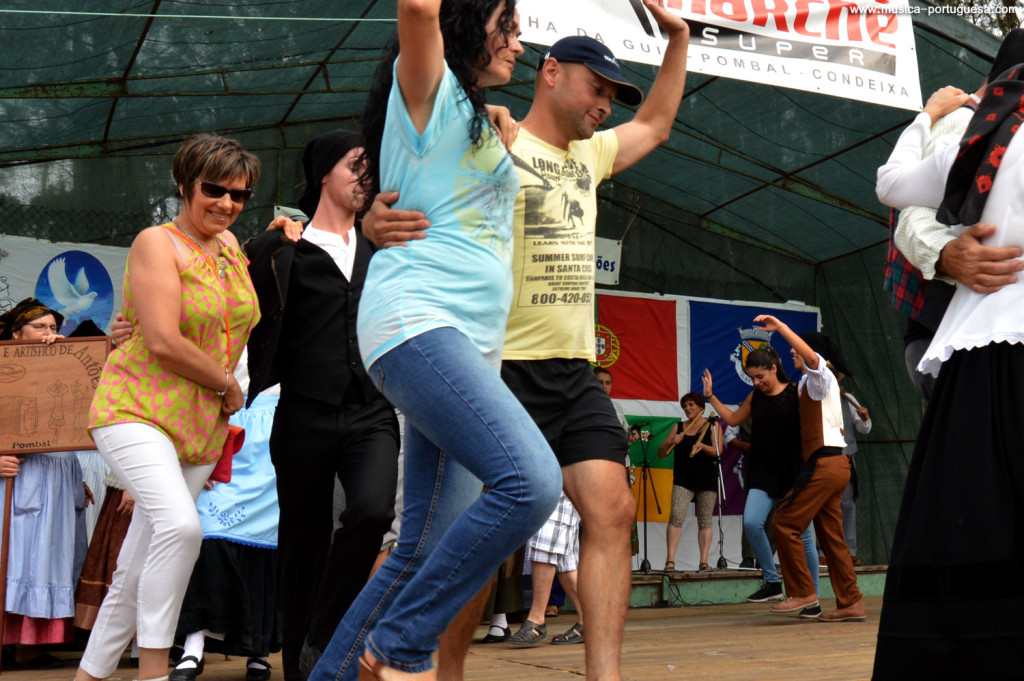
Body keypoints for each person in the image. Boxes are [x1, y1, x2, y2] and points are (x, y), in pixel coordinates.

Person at [362, 5, 690, 678]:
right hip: (495, 363)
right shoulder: (492, 136)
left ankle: (606, 674)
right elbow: (415, 179)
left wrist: (680, 38)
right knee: (471, 533)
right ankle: (435, 667)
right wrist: (373, 216)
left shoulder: (592, 156)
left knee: (613, 506)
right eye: (596, 88)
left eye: (611, 96)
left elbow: (654, 124)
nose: (604, 105)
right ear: (551, 74)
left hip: (573, 371)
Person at [309, 2, 564, 680]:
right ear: (464, 23)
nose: (518, 41)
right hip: (418, 321)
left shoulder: (477, 115)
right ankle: (400, 645)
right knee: (532, 481)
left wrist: (501, 123)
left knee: (421, 546)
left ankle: (345, 667)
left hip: (467, 344)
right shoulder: (425, 86)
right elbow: (418, 6)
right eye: (505, 25)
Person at [75, 133, 261, 681]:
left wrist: (284, 231)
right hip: (135, 409)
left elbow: (238, 321)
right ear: (185, 184)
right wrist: (229, 386)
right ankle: (155, 667)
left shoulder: (232, 249)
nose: (227, 203)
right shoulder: (157, 242)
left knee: (135, 565)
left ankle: (88, 676)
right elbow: (160, 339)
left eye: (241, 195)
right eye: (215, 189)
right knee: (182, 528)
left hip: (201, 428)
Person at [871, 32, 1024, 677]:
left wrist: (926, 116)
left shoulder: (980, 123)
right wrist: (943, 252)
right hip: (966, 337)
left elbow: (894, 187)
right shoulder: (978, 124)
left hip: (986, 346)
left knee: (972, 517)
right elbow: (910, 217)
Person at [244, 129, 401, 681]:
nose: (365, 177)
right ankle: (300, 667)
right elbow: (222, 302)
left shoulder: (382, 246)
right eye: (355, 166)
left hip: (371, 411)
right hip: (304, 413)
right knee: (302, 543)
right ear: (323, 175)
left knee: (373, 511)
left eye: (370, 168)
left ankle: (323, 632)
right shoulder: (279, 248)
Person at [169, 348, 281, 681]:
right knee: (208, 541)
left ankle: (257, 650)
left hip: (275, 433)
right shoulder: (219, 316)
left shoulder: (289, 323)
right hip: (221, 425)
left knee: (266, 549)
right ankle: (193, 646)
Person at [0, 299, 92, 668]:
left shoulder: (64, 368)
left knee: (50, 559)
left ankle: (31, 645)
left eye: (54, 328)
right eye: (40, 327)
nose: (49, 334)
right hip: (19, 477)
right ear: (15, 333)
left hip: (58, 474)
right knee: (19, 557)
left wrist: (76, 479)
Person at [751, 321, 863, 623]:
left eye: (797, 347)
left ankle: (803, 592)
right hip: (835, 465)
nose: (791, 350)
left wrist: (780, 327)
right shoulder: (806, 384)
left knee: (785, 522)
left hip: (826, 464)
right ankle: (851, 602)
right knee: (832, 539)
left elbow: (813, 359)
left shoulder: (820, 376)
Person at [703, 347, 819, 613]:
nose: (756, 382)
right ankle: (772, 581)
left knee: (804, 536)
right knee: (753, 522)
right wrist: (710, 396)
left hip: (794, 471)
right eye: (752, 378)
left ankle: (813, 598)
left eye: (760, 376)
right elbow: (732, 419)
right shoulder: (755, 396)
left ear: (774, 369)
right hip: (763, 470)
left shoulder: (796, 393)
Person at [507, 491, 585, 646]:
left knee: (545, 542)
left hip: (562, 476)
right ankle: (591, 621)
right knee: (566, 563)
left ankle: (536, 619)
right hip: (567, 475)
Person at [656, 392, 721, 572]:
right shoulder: (678, 427)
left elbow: (718, 451)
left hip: (706, 478)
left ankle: (704, 562)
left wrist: (703, 446)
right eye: (685, 406)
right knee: (676, 516)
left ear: (701, 407)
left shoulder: (712, 425)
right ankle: (670, 561)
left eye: (691, 405)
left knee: (705, 520)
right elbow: (661, 453)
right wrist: (670, 441)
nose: (688, 408)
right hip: (683, 479)